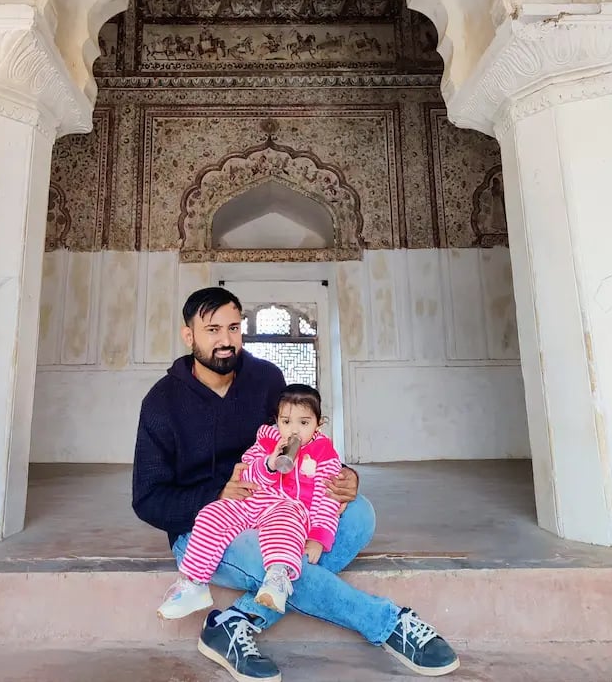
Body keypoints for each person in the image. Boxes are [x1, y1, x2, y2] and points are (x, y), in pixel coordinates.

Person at [133, 287, 460, 681]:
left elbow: (299, 439)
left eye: (233, 328)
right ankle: (389, 624)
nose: (226, 340)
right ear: (189, 335)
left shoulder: (266, 379)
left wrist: (343, 476)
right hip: (209, 528)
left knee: (358, 514)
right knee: (277, 559)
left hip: (280, 507)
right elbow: (147, 499)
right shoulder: (162, 402)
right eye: (213, 330)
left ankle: (235, 622)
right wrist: (215, 493)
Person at [157, 383, 343, 619]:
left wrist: (318, 537)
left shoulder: (324, 455)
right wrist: (269, 464)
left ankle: (277, 580)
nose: (293, 430)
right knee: (211, 514)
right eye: (286, 422)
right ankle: (193, 584)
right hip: (254, 500)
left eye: (304, 423)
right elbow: (246, 474)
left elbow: (327, 499)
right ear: (277, 421)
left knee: (285, 527)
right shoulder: (267, 442)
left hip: (289, 507)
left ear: (318, 423)